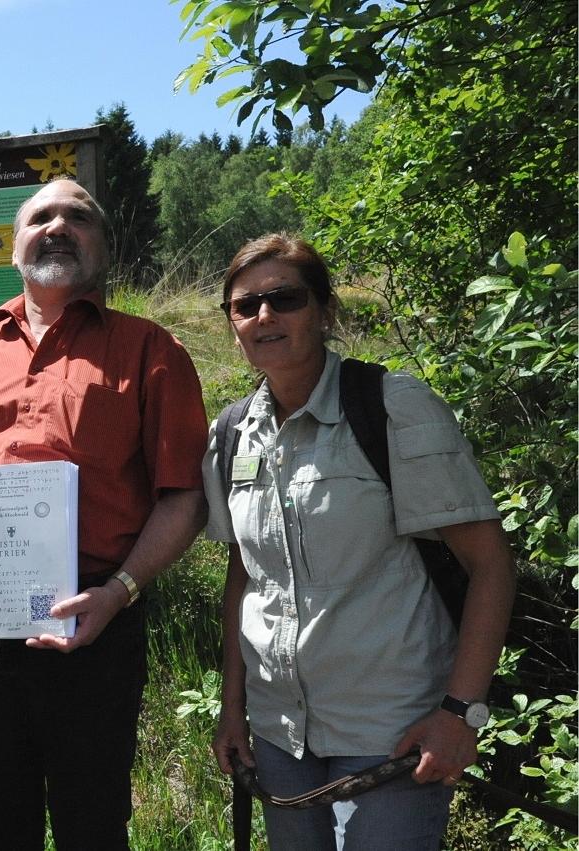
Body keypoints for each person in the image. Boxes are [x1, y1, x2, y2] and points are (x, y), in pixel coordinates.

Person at [0, 177, 209, 849]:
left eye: (78, 217)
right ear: (13, 246)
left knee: (92, 826)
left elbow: (184, 494)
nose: (57, 226)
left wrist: (119, 592)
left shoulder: (148, 349)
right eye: (40, 216)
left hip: (94, 629)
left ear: (102, 246)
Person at [204, 233, 515, 849]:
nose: (264, 315)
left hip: (392, 733)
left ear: (322, 310)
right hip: (278, 732)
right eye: (245, 305)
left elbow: (490, 565)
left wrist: (460, 714)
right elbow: (244, 575)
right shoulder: (232, 432)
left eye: (284, 298)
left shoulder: (393, 406)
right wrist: (232, 707)